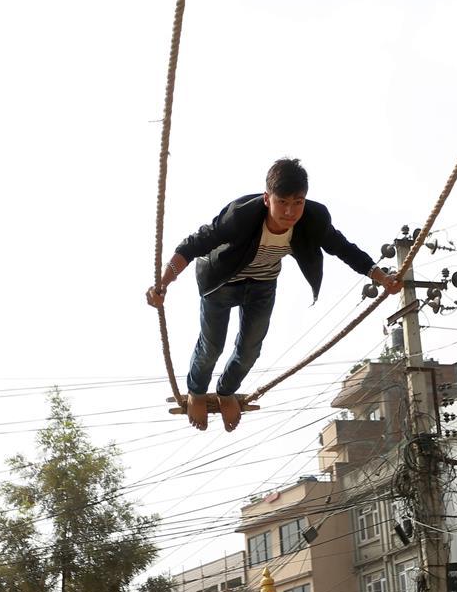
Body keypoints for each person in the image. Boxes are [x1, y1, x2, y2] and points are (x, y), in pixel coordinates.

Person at [146, 158, 402, 432]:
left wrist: (383, 277)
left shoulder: (314, 219)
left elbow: (344, 248)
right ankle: (196, 391)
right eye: (283, 202)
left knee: (250, 349)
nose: (290, 212)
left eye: (298, 202)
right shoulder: (240, 216)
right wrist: (163, 283)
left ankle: (226, 391)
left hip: (262, 284)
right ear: (267, 199)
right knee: (212, 346)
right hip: (222, 281)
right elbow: (193, 244)